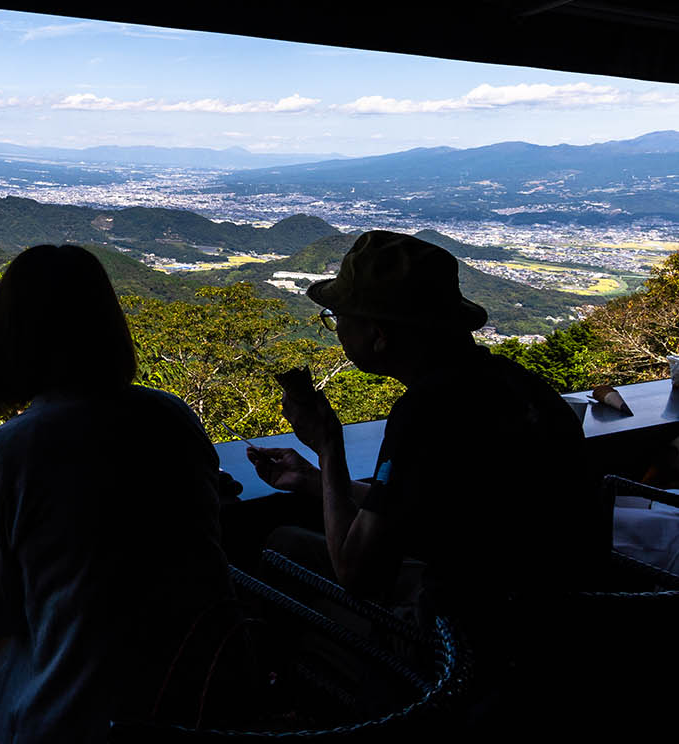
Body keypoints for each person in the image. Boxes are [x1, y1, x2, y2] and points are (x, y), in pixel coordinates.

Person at [0, 244, 240, 742]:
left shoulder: (3, 455)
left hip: (80, 722)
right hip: (205, 703)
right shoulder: (175, 420)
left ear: (9, 337)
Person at [247, 230, 603, 627]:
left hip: (469, 642)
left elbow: (356, 575)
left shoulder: (429, 410)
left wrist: (328, 446)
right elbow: (415, 510)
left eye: (337, 320)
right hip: (554, 613)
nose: (337, 332)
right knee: (288, 544)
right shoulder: (517, 385)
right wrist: (314, 481)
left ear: (378, 335)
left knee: (281, 571)